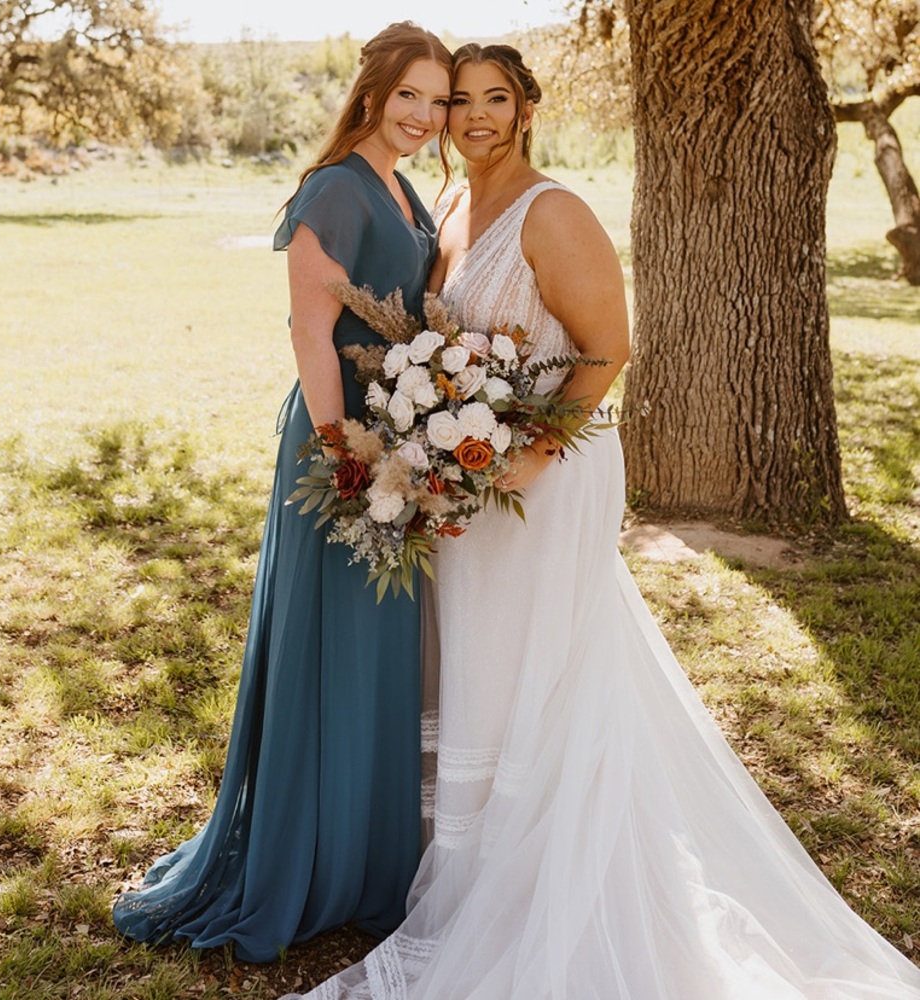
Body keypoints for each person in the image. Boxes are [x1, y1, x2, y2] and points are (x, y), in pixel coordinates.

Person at [282, 43, 920, 998]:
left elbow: (606, 351)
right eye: (460, 101)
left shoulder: (555, 211)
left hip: (547, 476)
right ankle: (463, 873)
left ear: (527, 109)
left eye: (495, 100)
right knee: (479, 662)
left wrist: (526, 460)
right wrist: (445, 455)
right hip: (470, 478)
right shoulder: (450, 205)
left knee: (543, 665)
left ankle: (547, 876)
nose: (474, 117)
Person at [111, 22, 452, 964]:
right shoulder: (336, 187)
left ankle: (367, 858)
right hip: (340, 443)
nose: (423, 115)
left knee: (375, 646)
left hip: (391, 441)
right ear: (376, 91)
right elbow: (311, 329)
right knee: (328, 645)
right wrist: (347, 449)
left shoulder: (401, 183)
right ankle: (307, 860)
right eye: (409, 95)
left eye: (436, 99)